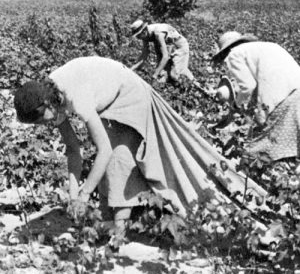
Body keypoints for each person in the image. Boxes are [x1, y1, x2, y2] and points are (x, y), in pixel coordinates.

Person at [14, 56, 267, 232]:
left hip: (130, 94)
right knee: (110, 159)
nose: (45, 125)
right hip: (107, 94)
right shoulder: (48, 98)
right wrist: (72, 196)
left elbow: (103, 152)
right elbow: (72, 149)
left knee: (118, 159)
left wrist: (84, 193)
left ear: (47, 104)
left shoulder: (75, 97)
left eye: (42, 120)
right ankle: (110, 219)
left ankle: (120, 230)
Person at [212, 31, 300, 161]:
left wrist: (236, 104)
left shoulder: (234, 55)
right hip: (296, 90)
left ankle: (254, 175)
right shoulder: (266, 47)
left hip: (283, 99)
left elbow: (248, 86)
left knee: (258, 149)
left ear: (225, 51)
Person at [130, 19, 195, 84]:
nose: (138, 38)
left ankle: (195, 84)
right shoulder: (145, 35)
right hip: (166, 46)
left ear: (144, 31)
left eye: (138, 35)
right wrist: (132, 69)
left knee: (175, 75)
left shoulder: (158, 34)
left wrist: (154, 75)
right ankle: (177, 75)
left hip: (179, 46)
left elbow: (165, 57)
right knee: (162, 76)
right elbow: (144, 54)